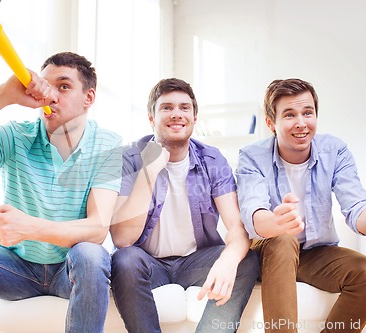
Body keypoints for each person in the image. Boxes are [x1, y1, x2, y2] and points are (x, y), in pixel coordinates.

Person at [0, 52, 122, 333]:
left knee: (92, 254)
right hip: (16, 269)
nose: (51, 95)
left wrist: (28, 227)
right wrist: (2, 95)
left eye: (64, 86)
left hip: (69, 269)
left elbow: (96, 230)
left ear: (88, 98)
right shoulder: (16, 136)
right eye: (46, 86)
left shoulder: (107, 144)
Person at [236, 78, 366, 333]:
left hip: (315, 253)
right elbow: (254, 211)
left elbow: (356, 204)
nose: (301, 122)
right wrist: (276, 222)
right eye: (289, 114)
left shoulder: (335, 150)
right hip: (268, 250)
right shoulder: (252, 156)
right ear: (270, 123)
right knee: (284, 239)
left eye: (307, 113)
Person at [109, 78, 259, 333]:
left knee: (247, 259)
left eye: (184, 108)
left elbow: (236, 225)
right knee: (123, 260)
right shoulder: (129, 158)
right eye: (166, 107)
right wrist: (149, 172)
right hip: (148, 263)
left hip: (196, 262)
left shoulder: (213, 160)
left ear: (194, 117)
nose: (176, 114)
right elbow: (123, 239)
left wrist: (230, 257)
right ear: (151, 118)